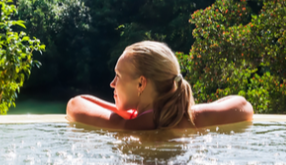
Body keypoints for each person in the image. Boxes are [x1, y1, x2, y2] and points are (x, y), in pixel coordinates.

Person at [66, 41, 253, 130]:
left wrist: (125, 115)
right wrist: (187, 109)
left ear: (141, 84)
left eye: (118, 76)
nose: (112, 83)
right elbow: (243, 106)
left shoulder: (127, 125)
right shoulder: (192, 119)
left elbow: (75, 104)